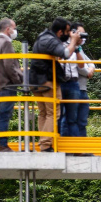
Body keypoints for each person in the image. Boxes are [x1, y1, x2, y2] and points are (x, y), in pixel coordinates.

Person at [32, 18, 80, 151]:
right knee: (53, 113)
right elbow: (66, 54)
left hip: (36, 80)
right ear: (60, 32)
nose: (69, 34)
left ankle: (43, 143)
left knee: (43, 113)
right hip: (47, 80)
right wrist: (74, 41)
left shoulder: (43, 37)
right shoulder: (50, 40)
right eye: (67, 32)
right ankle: (46, 144)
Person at [0, 18, 22, 151]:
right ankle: (2, 145)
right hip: (7, 85)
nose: (15, 31)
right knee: (4, 116)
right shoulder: (6, 42)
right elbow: (9, 65)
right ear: (8, 29)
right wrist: (18, 81)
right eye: (14, 28)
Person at [60, 22, 94, 139]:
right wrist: (88, 71)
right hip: (73, 86)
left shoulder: (79, 49)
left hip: (81, 89)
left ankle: (81, 145)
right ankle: (67, 145)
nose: (82, 37)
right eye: (80, 33)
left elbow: (91, 63)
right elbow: (80, 68)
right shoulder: (66, 46)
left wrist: (90, 68)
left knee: (82, 121)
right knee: (69, 119)